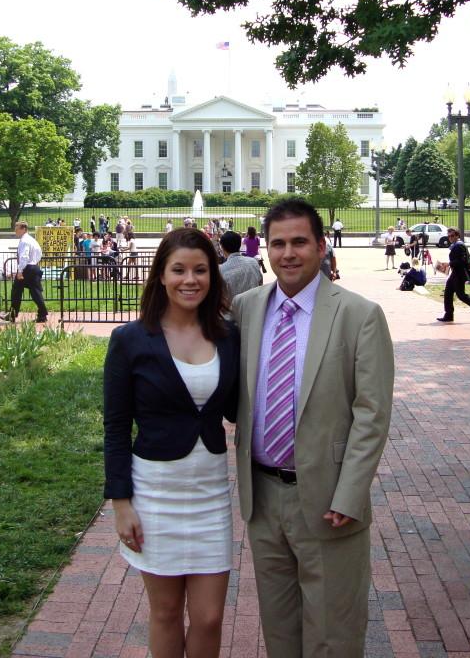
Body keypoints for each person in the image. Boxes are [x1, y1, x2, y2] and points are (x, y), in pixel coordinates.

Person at [232, 198, 394, 658]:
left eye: (299, 242)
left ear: (321, 247)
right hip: (262, 499)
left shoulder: (359, 315)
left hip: (327, 500)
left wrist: (350, 493)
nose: (288, 253)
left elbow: (372, 413)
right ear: (265, 249)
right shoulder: (246, 309)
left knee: (332, 636)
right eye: (278, 243)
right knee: (279, 632)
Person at [103, 227, 240, 658]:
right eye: (178, 269)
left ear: (212, 276)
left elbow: (238, 408)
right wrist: (121, 503)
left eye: (200, 270)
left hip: (210, 494)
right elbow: (116, 428)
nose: (190, 279)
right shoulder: (130, 341)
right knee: (164, 613)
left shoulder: (228, 336)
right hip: (155, 494)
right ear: (160, 275)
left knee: (209, 617)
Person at [1, 221, 48, 324]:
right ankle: (42, 314)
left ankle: (12, 315)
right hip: (33, 267)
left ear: (23, 229)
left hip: (27, 268)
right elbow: (39, 253)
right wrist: (34, 263)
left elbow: (24, 256)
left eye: (17, 228)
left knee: (16, 291)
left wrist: (20, 271)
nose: (15, 230)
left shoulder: (24, 241)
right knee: (35, 292)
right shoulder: (32, 240)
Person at [437, 228, 470, 323]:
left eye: (452, 236)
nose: (450, 238)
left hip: (459, 274)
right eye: (449, 236)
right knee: (448, 293)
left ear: (457, 236)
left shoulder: (459, 246)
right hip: (455, 273)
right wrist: (449, 264)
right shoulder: (455, 246)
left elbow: (462, 260)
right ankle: (448, 315)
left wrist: (449, 264)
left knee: (461, 295)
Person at [219, 230, 263, 300]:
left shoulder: (221, 270)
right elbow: (260, 284)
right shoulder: (253, 263)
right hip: (255, 306)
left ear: (222, 247)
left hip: (234, 309)